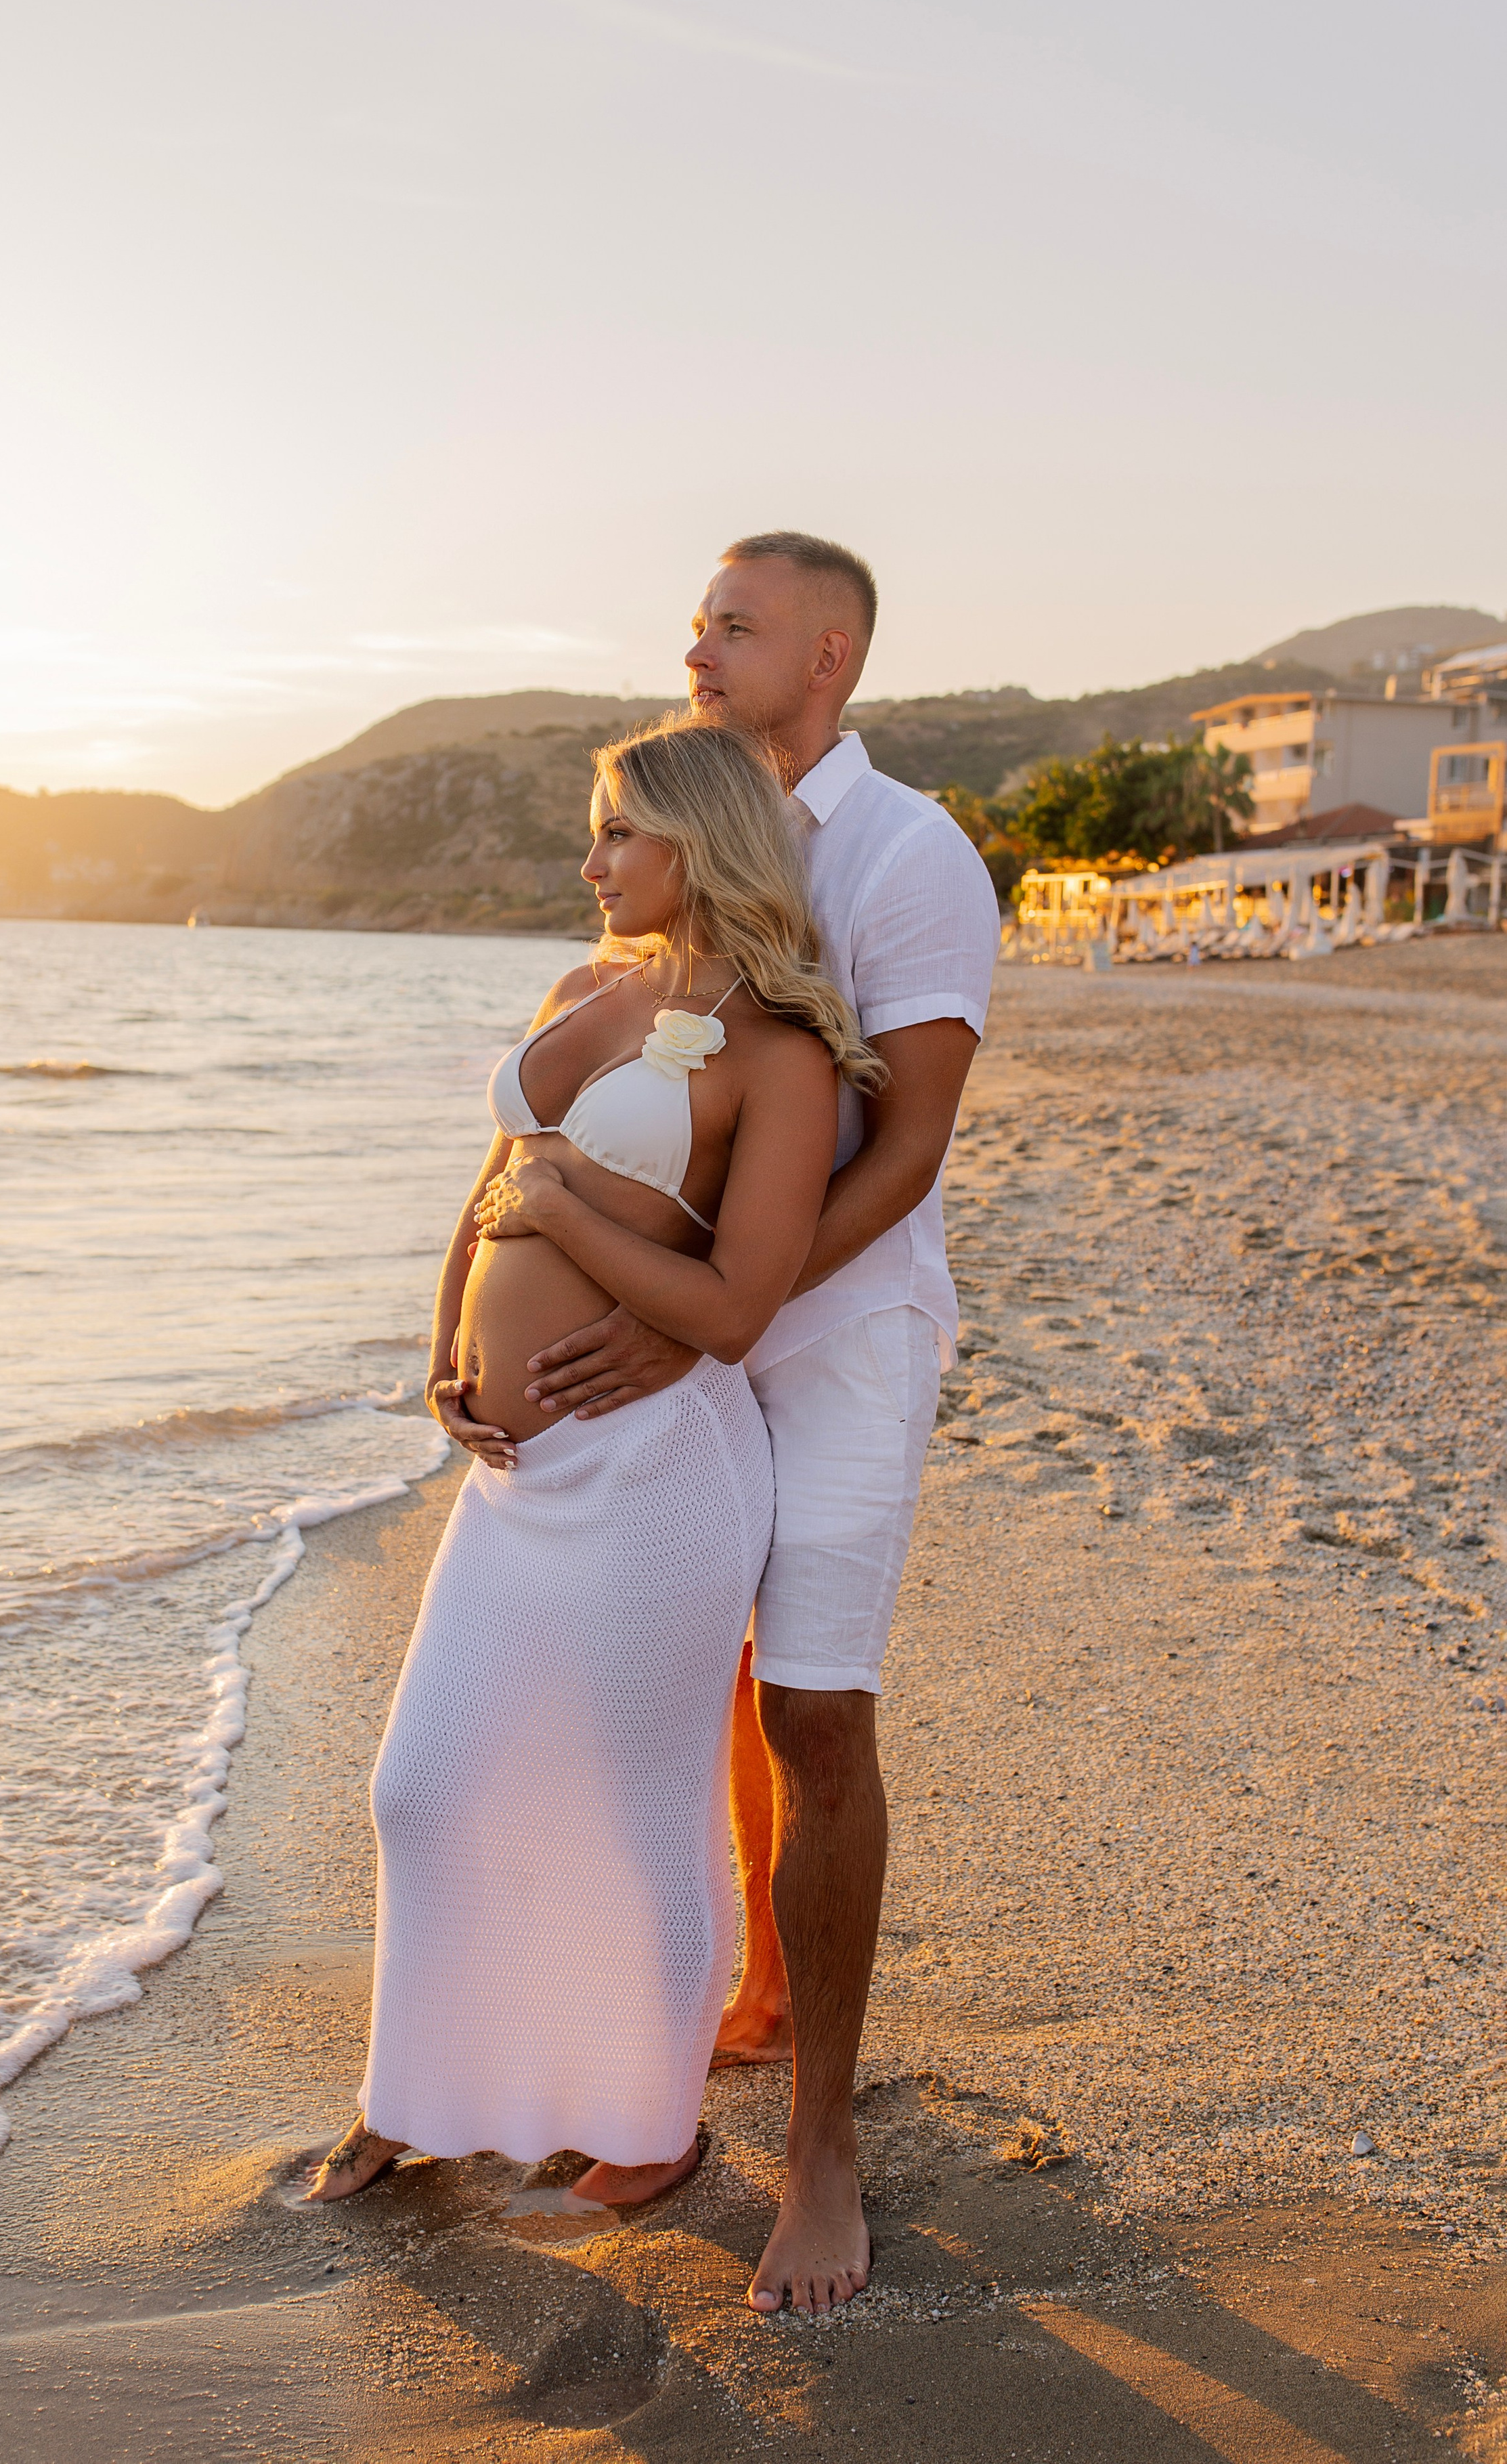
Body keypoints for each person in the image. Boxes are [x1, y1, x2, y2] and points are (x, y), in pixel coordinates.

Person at [304, 720, 884, 2211]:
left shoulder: (781, 1050)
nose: (591, 861)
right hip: (511, 1481)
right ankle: (425, 2093)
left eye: (617, 832)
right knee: (426, 1787)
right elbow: (492, 1184)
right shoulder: (580, 989)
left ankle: (649, 2115)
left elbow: (736, 1303)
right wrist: (443, 1358)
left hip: (655, 1475)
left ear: (698, 841)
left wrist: (563, 1222)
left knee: (632, 1818)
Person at [518, 534, 1000, 2313]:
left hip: (844, 1335)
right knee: (695, 1674)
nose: (699, 644)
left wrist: (714, 1319)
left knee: (812, 1703)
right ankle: (733, 2005)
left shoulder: (908, 854)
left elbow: (911, 1150)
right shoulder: (707, 840)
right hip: (704, 1320)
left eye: (737, 623)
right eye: (698, 620)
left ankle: (825, 2148)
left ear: (832, 656)